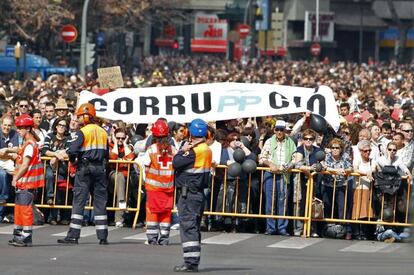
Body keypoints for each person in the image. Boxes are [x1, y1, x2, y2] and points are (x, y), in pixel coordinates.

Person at [57, 103, 109, 245]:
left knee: (79, 201)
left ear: (86, 116)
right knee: (100, 203)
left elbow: (72, 150)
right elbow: (107, 155)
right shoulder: (103, 132)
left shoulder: (83, 131)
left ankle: (73, 236)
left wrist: (73, 161)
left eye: (80, 116)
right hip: (100, 169)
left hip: (85, 169)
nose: (78, 119)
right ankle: (102, 236)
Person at [173, 118, 212, 273]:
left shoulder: (193, 151)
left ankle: (190, 263)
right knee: (194, 228)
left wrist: (183, 150)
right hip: (198, 194)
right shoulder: (206, 149)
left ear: (190, 132)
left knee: (188, 227)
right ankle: (193, 260)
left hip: (188, 195)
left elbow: (176, 162)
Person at [8, 114, 45, 247]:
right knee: (19, 210)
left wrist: (16, 178)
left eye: (21, 127)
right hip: (23, 183)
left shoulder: (30, 145)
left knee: (25, 211)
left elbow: (25, 165)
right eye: (17, 127)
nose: (18, 130)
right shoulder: (27, 144)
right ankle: (18, 235)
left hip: (27, 183)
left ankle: (26, 237)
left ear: (28, 129)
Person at [139, 119, 177, 245]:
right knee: (166, 212)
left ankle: (152, 238)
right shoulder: (173, 150)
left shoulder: (151, 150)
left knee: (152, 211)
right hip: (168, 188)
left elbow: (143, 164)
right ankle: (164, 238)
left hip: (153, 188)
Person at [259, 120, 296, 236]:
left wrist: (290, 165)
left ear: (285, 130)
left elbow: (295, 158)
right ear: (274, 130)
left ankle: (282, 228)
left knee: (283, 201)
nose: (279, 132)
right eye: (277, 129)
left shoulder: (291, 142)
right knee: (270, 201)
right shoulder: (269, 142)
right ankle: (270, 227)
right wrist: (270, 164)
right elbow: (262, 158)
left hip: (284, 174)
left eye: (281, 129)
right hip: (271, 174)